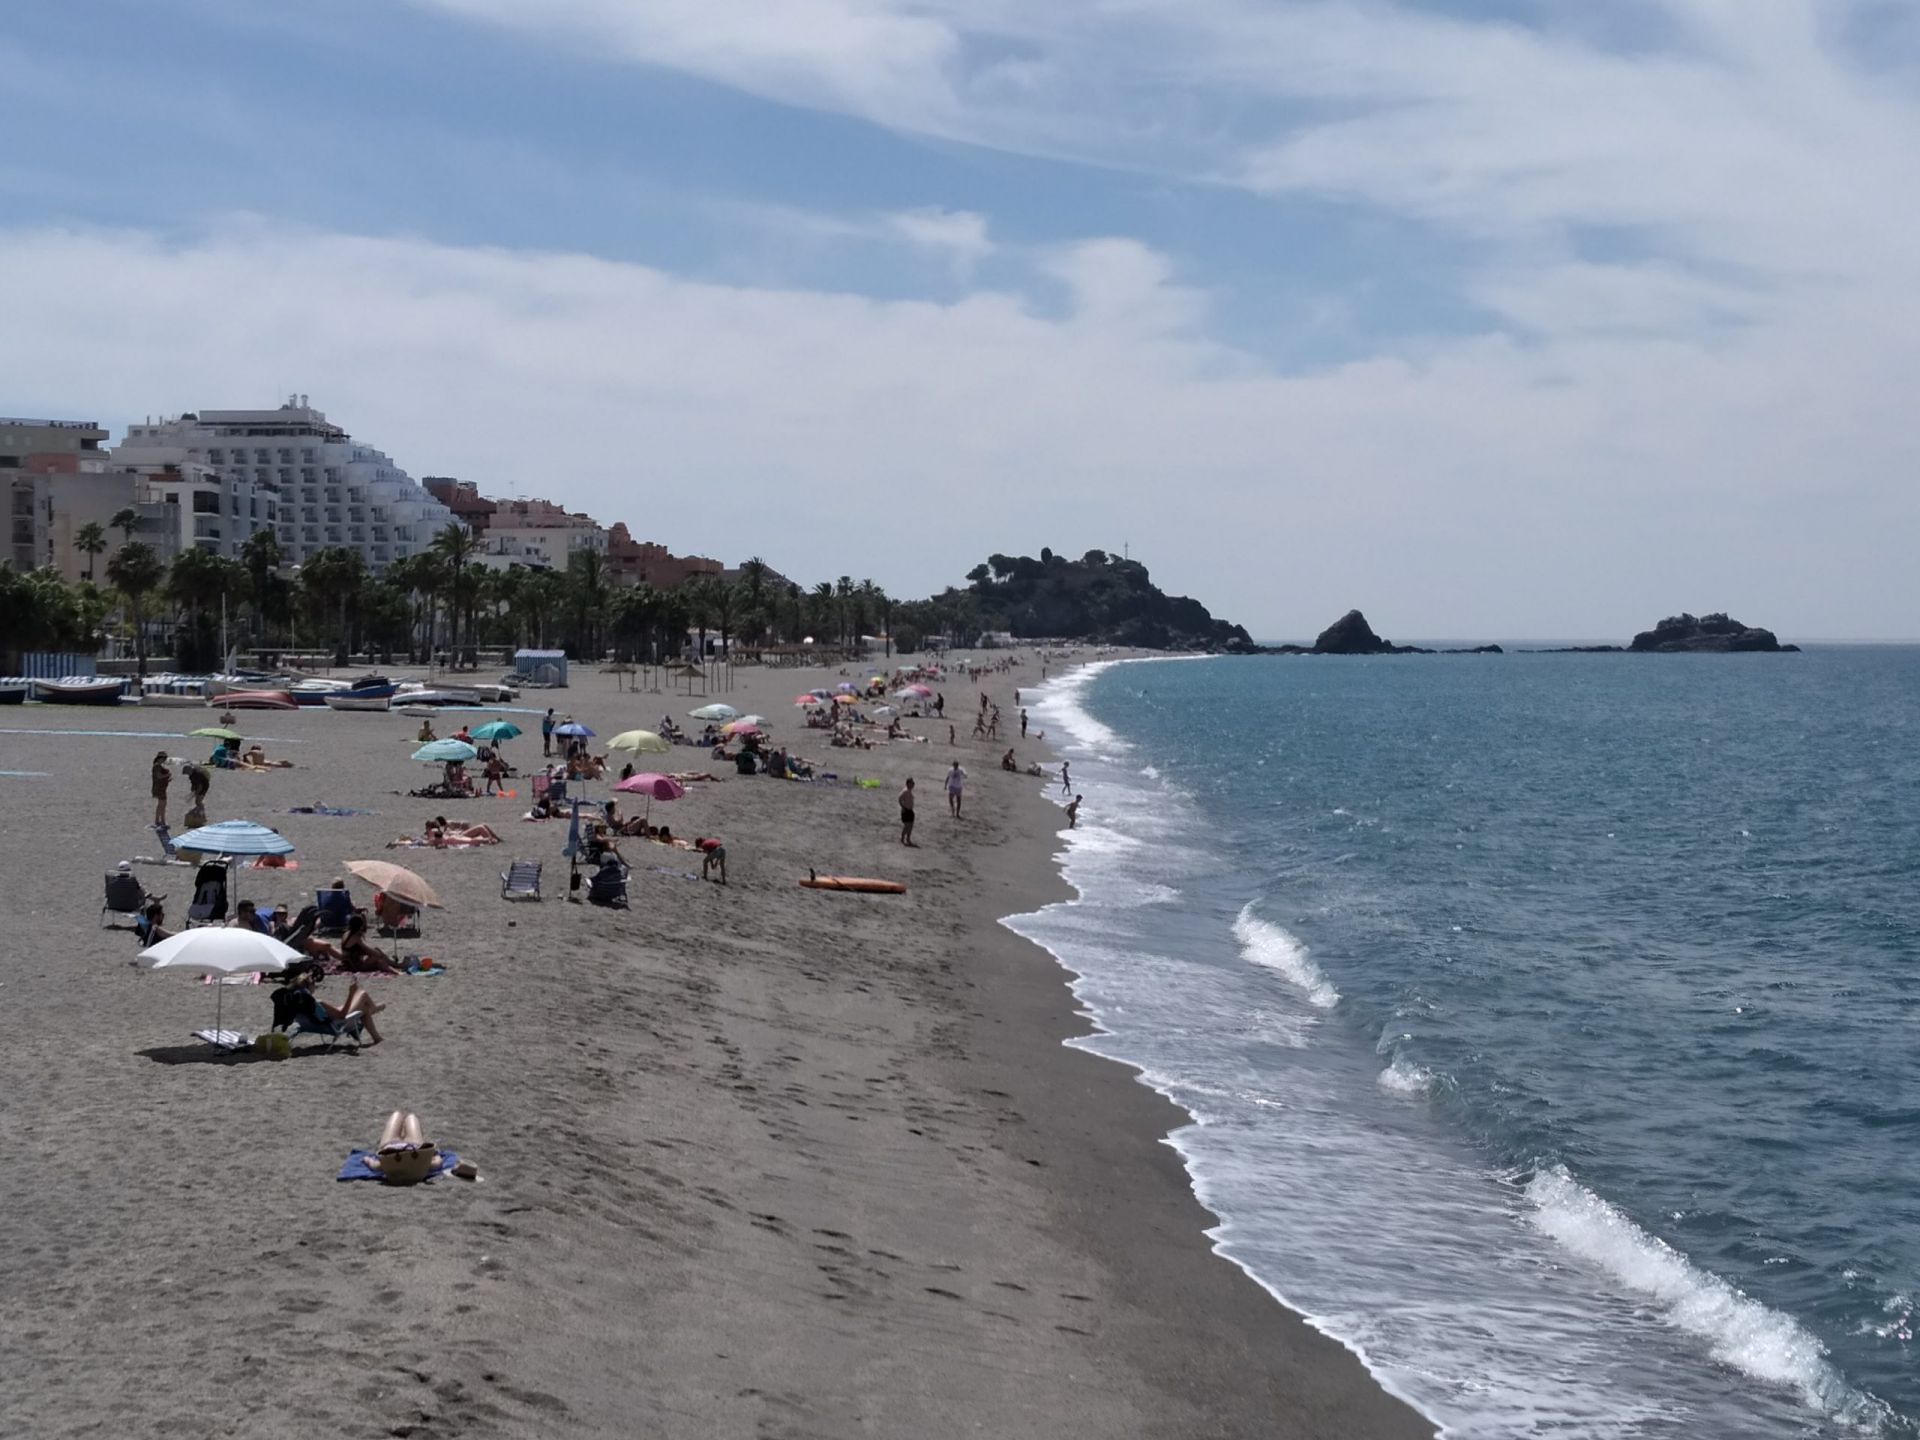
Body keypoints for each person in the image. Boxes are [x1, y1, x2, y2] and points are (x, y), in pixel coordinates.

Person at [151, 751, 172, 827]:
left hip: (160, 787)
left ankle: (158, 820)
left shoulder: (157, 766)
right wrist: (167, 774)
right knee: (162, 804)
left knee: (161, 804)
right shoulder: (157, 766)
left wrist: (167, 779)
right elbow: (159, 776)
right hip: (159, 788)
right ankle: (162, 821)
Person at [898, 777, 916, 846]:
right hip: (906, 810)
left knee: (911, 826)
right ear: (908, 783)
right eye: (912, 783)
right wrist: (902, 807)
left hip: (910, 810)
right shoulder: (905, 791)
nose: (913, 784)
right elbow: (899, 799)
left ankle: (908, 839)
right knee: (907, 826)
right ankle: (902, 838)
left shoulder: (909, 790)